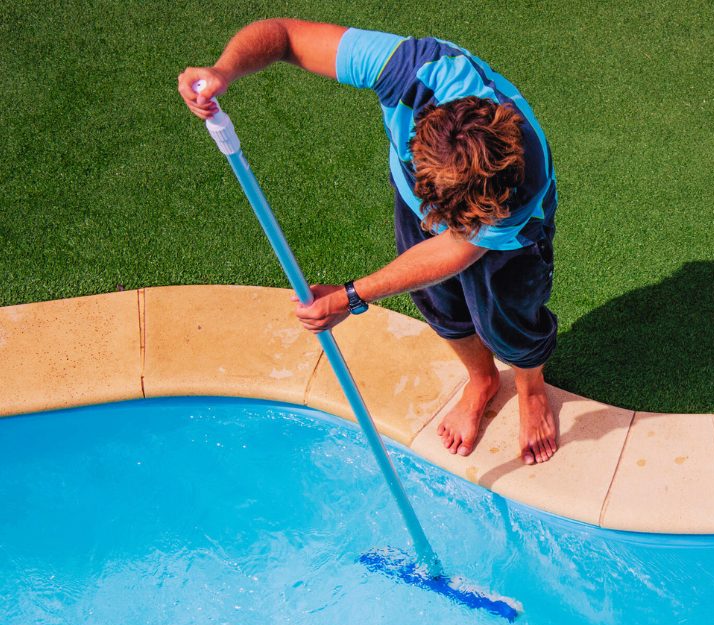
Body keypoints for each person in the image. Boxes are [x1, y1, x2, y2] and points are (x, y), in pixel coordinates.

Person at [178, 19, 559, 464]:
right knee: (441, 306)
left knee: (509, 323)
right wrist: (224, 71)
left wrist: (349, 297)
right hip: (423, 195)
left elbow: (456, 249)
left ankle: (531, 390)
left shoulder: (520, 178)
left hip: (509, 239)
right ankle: (482, 380)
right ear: (422, 138)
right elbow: (283, 37)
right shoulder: (408, 70)